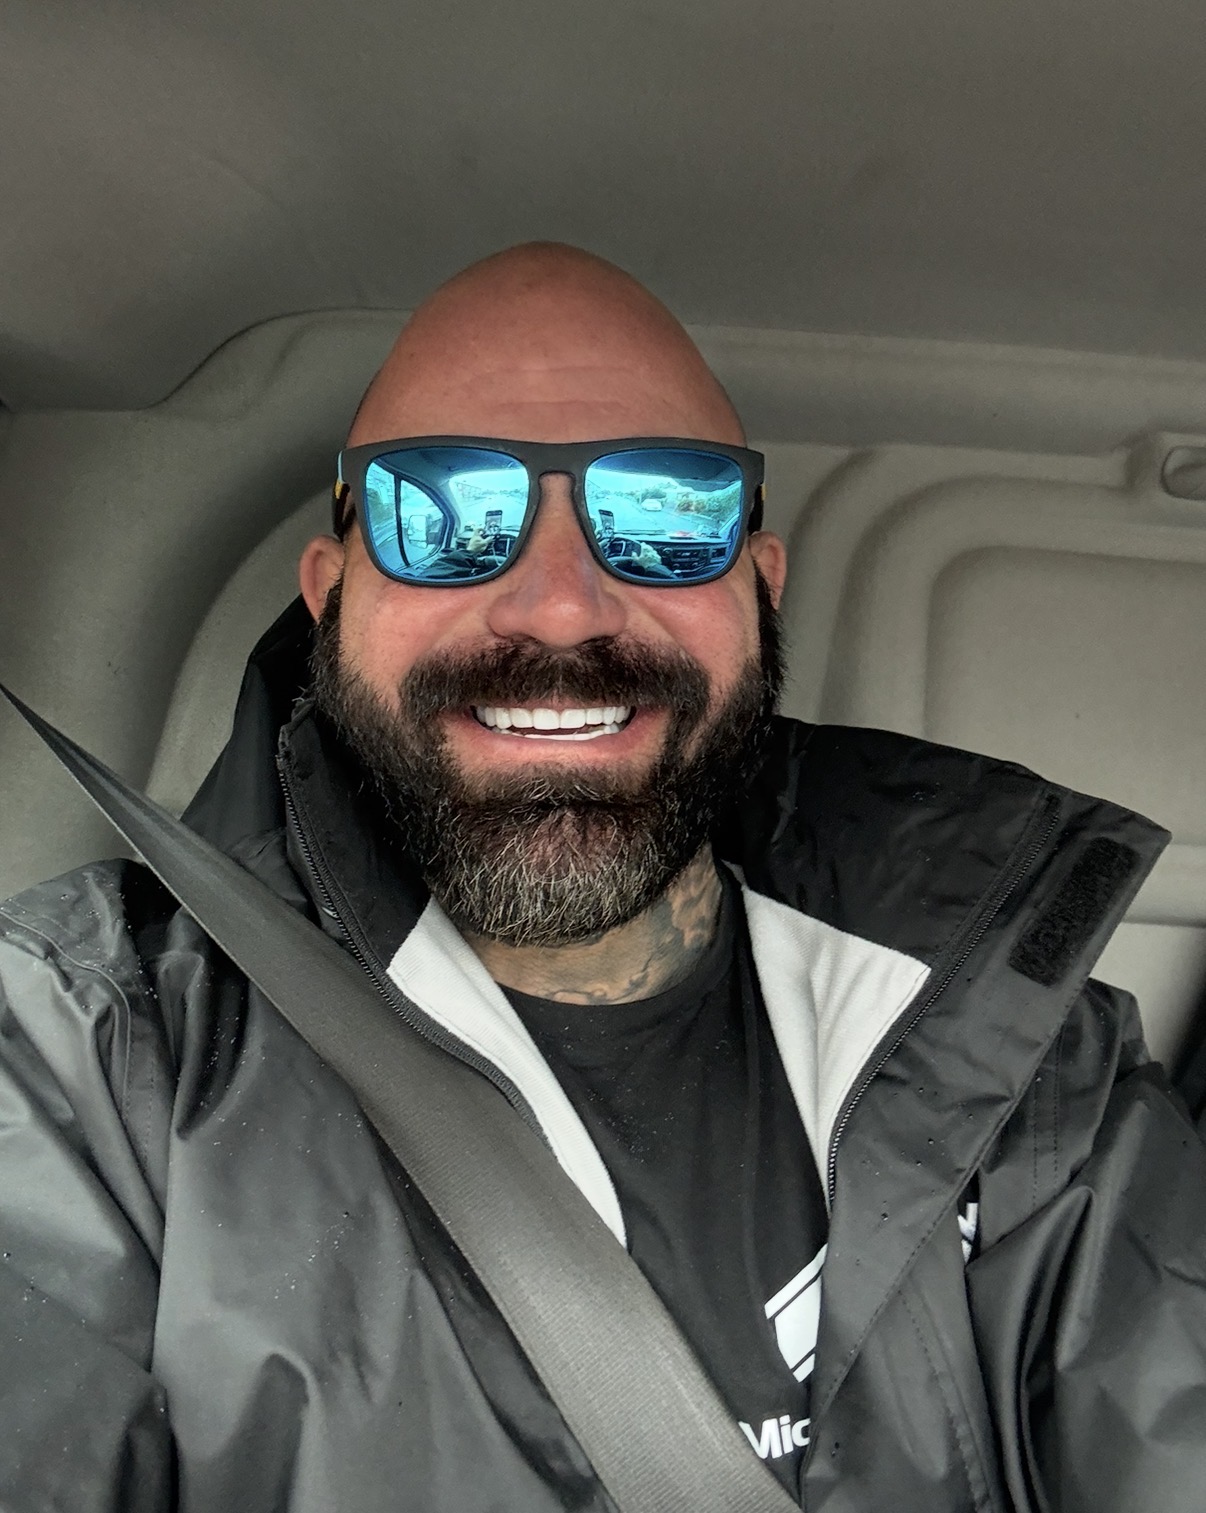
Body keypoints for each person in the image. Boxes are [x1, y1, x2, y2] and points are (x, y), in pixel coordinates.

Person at [1, 242, 1204, 1513]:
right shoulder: (90, 1051)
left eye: (665, 514)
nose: (563, 607)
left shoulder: (1032, 1066)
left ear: (759, 586)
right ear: (331, 595)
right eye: (444, 512)